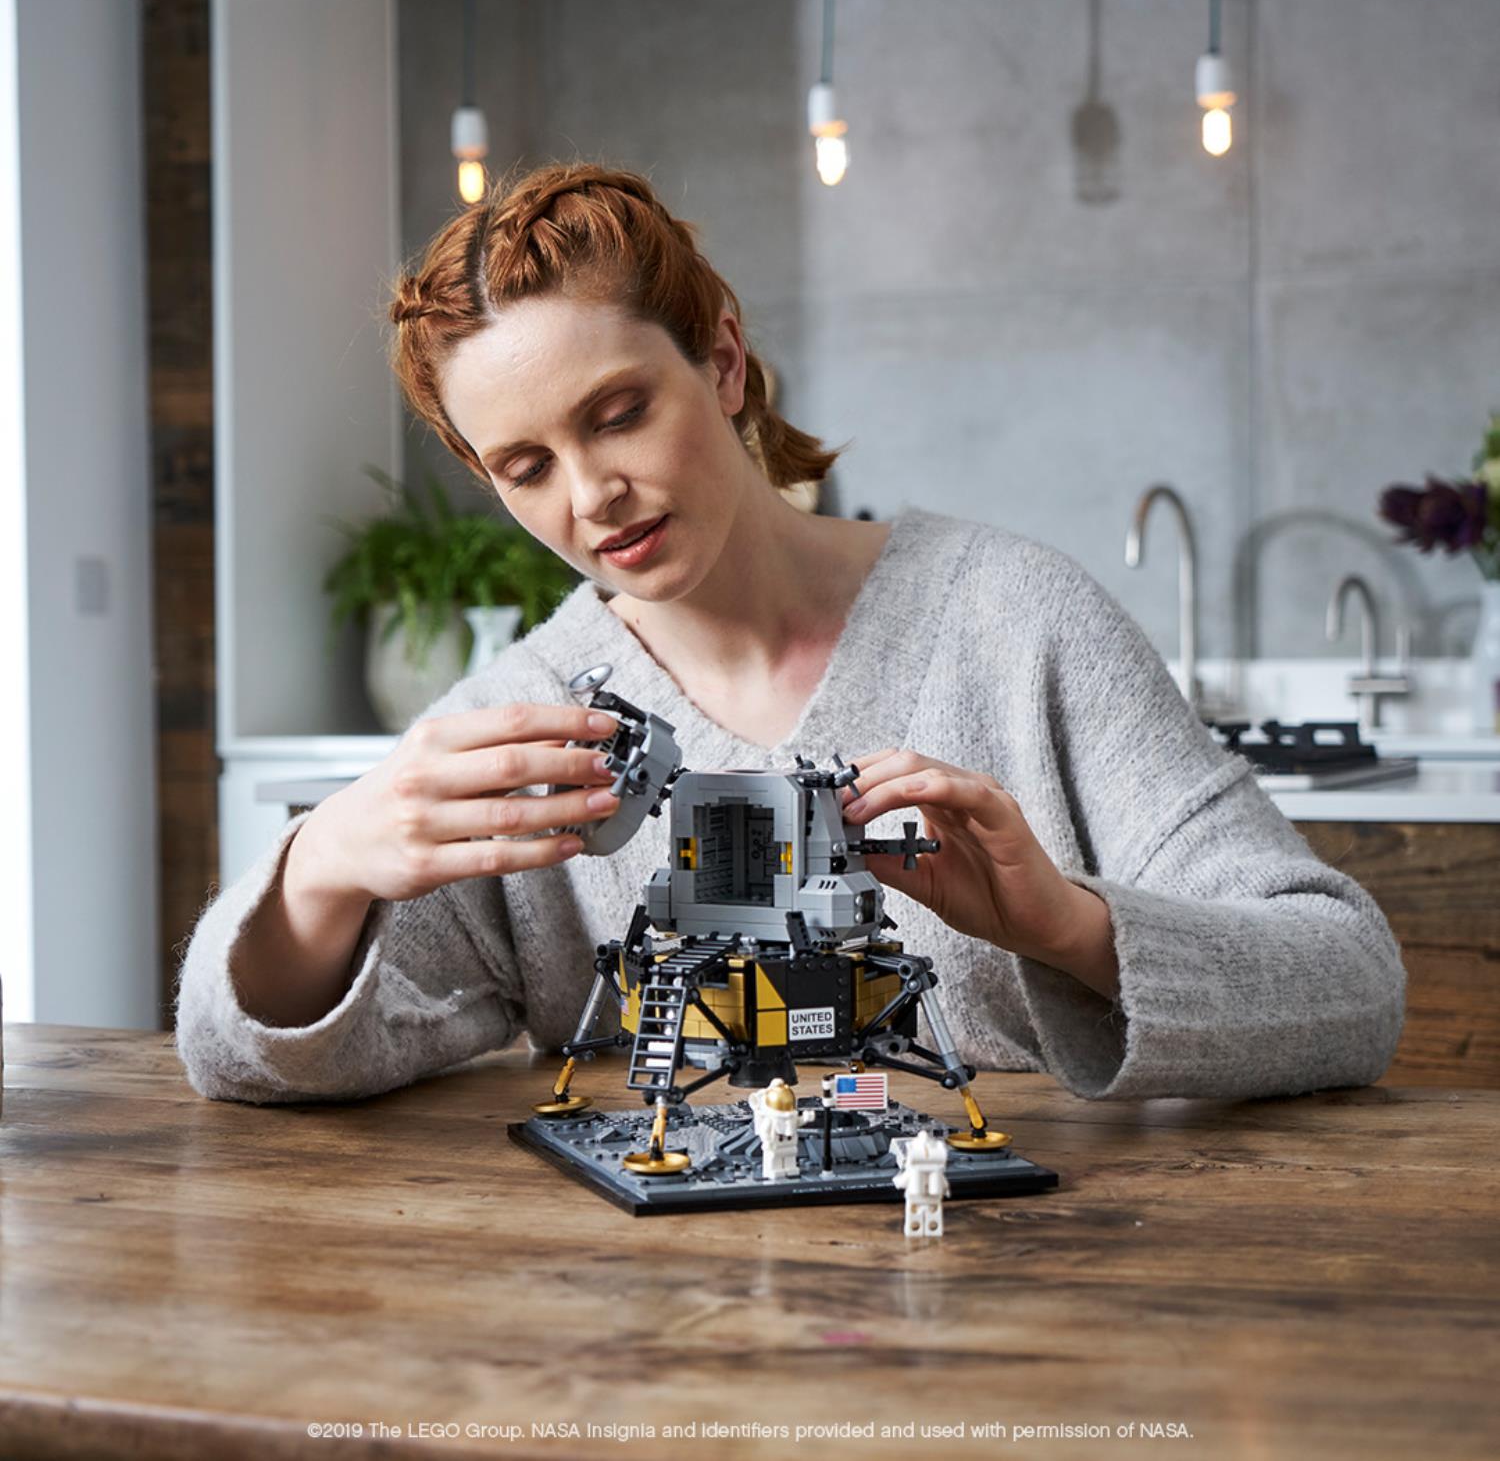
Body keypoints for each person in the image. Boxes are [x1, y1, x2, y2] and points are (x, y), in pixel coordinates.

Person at [173, 161, 1405, 1107]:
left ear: (722, 361)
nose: (592, 496)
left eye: (619, 412)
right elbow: (237, 1056)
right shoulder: (526, 727)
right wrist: (323, 864)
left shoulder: (1017, 623)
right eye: (527, 466)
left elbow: (1349, 983)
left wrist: (1066, 927)